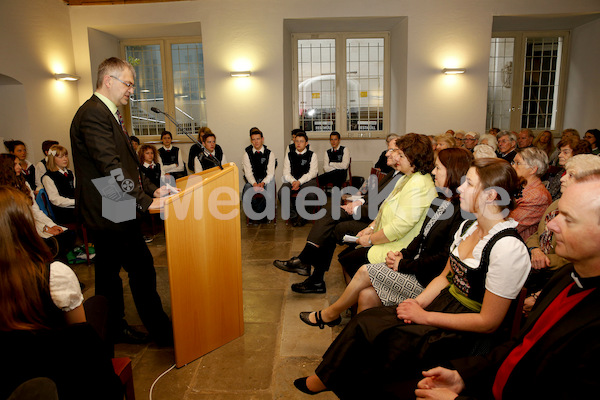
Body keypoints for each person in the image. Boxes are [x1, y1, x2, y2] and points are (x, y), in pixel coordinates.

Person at [293, 158, 531, 398]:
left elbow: (488, 322)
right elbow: (443, 278)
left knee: (383, 336)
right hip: (442, 305)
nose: (460, 188)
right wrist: (418, 303)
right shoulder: (468, 227)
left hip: (465, 331)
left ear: (490, 196)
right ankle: (327, 377)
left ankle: (333, 379)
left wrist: (425, 316)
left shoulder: (507, 247)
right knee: (367, 320)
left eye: (469, 183)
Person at [414, 173, 600, 400]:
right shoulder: (567, 276)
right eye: (558, 213)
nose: (550, 224)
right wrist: (464, 376)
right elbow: (522, 345)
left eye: (568, 219)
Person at [298, 148, 471, 328]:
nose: (433, 172)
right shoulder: (440, 200)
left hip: (425, 278)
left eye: (438, 168)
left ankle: (329, 314)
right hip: (412, 261)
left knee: (363, 268)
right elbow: (420, 237)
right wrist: (402, 254)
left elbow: (442, 259)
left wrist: (403, 262)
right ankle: (356, 338)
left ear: (453, 171)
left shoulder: (459, 211)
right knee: (366, 294)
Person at [70, 56, 173, 346]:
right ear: (109, 81)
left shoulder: (107, 113)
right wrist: (142, 201)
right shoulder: (93, 114)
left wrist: (152, 188)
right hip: (110, 210)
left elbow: (129, 164)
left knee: (108, 275)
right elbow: (110, 167)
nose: (131, 90)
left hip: (113, 206)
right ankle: (160, 331)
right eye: (128, 84)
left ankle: (112, 328)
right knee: (140, 269)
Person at [0, 186, 122, 400]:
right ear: (23, 225)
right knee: (99, 305)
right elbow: (78, 336)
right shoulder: (53, 275)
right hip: (59, 373)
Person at [274, 136, 402, 293]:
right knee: (330, 215)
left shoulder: (402, 179)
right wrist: (359, 201)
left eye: (390, 150)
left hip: (373, 223)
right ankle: (311, 272)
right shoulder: (394, 173)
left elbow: (380, 210)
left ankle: (308, 266)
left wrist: (354, 208)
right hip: (367, 213)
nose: (386, 154)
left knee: (331, 221)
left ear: (402, 153)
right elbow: (373, 199)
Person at [336, 133, 438, 278]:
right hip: (388, 236)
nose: (396, 158)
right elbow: (384, 208)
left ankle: (359, 297)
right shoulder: (408, 177)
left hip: (400, 246)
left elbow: (400, 227)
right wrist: (369, 228)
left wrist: (370, 239)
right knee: (346, 257)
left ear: (413, 158)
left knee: (348, 259)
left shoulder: (418, 183)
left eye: (401, 155)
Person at [524, 154, 600, 311]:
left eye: (571, 174)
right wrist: (535, 250)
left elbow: (573, 260)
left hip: (550, 274)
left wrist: (544, 260)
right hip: (542, 270)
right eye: (564, 173)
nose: (562, 179)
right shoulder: (557, 203)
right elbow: (537, 233)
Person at [0, 154, 75, 262]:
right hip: (19, 230)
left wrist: (51, 225)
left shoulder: (24, 184)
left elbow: (35, 210)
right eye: (15, 164)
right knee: (51, 244)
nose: (19, 167)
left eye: (19, 164)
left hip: (35, 223)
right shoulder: (4, 191)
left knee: (67, 235)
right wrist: (45, 228)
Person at [509, 147, 552, 241]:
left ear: (533, 170)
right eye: (513, 162)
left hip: (520, 244)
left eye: (518, 163)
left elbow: (509, 226)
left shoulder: (537, 196)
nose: (512, 166)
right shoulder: (520, 186)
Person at [279, 130, 318, 227]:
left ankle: (303, 217)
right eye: (297, 141)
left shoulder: (312, 155)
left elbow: (313, 173)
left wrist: (299, 182)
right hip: (292, 180)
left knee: (311, 195)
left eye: (301, 141)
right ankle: (293, 216)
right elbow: (286, 172)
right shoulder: (289, 155)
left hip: (307, 180)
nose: (299, 143)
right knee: (282, 192)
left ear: (306, 143)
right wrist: (293, 181)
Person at [242, 127, 276, 221]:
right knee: (247, 190)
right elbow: (248, 173)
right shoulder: (247, 155)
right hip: (253, 181)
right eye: (253, 139)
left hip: (266, 181)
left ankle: (262, 215)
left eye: (258, 139)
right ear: (251, 141)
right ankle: (254, 213)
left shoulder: (270, 154)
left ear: (262, 139)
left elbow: (270, 173)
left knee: (269, 188)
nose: (256, 142)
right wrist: (254, 184)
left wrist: (263, 183)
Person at [545, 136, 592, 201]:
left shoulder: (580, 177)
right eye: (560, 152)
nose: (559, 155)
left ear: (577, 154)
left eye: (565, 152)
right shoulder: (562, 172)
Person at [41, 145, 76, 225]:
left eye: (66, 156)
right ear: (53, 159)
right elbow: (55, 199)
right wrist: (74, 201)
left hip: (74, 206)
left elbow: (76, 189)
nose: (65, 159)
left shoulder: (70, 173)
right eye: (60, 157)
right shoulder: (48, 177)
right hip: (63, 212)